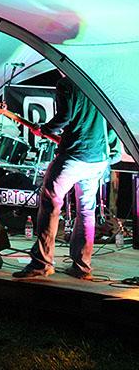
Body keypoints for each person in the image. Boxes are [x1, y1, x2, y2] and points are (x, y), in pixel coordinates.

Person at [12, 74, 121, 280]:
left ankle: (42, 263)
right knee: (87, 211)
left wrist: (45, 129)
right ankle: (82, 267)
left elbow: (65, 116)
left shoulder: (68, 83)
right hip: (97, 159)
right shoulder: (99, 81)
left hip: (75, 155)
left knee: (50, 204)